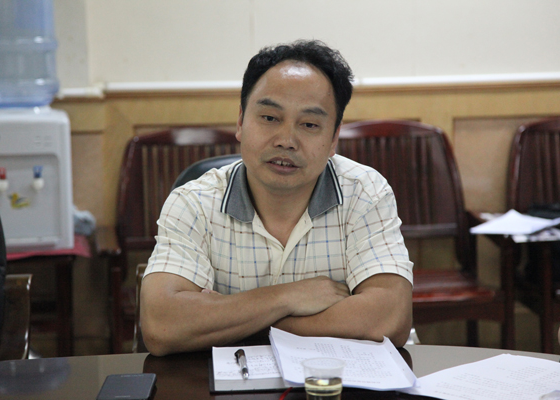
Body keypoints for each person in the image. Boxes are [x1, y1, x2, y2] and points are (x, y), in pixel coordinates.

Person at [141, 39, 414, 356]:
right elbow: (162, 325)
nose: (286, 141)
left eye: (309, 124)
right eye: (270, 118)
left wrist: (233, 321)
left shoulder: (365, 193)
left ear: (333, 139)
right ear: (240, 122)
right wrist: (288, 297)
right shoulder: (193, 203)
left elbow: (389, 318)